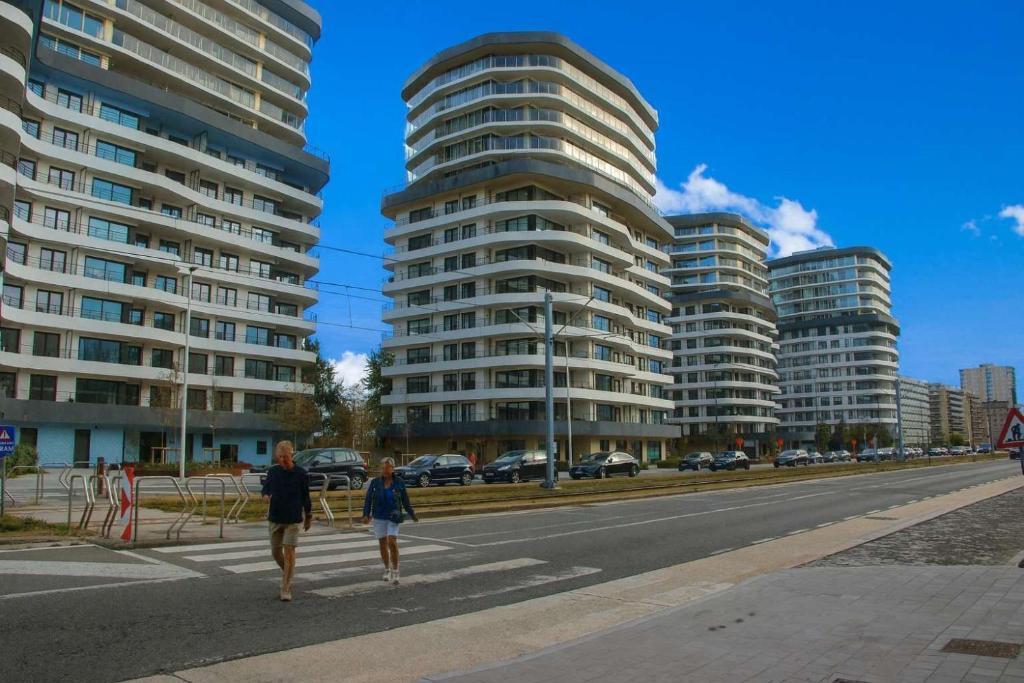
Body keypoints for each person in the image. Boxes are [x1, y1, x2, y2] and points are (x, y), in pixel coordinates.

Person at [261, 441, 312, 602]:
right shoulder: (273, 472)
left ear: (292, 455)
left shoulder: (301, 474)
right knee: (276, 552)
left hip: (293, 518)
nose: (283, 460)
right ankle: (288, 572)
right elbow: (266, 488)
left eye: (286, 456)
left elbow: (306, 496)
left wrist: (308, 516)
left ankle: (286, 587)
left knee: (289, 551)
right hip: (275, 517)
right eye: (280, 457)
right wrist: (265, 495)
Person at [361, 457, 417, 585]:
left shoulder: (399, 482)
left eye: (387, 468)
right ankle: (387, 569)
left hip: (393, 516)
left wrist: (411, 514)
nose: (384, 471)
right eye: (382, 468)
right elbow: (368, 499)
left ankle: (396, 570)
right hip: (379, 515)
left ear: (392, 469)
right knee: (382, 543)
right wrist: (366, 514)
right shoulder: (375, 482)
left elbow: (405, 500)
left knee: (392, 541)